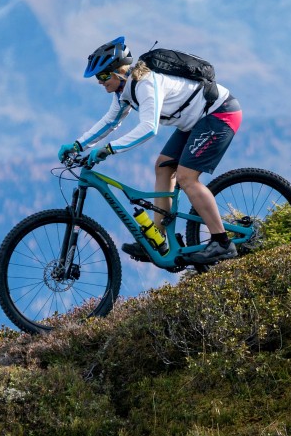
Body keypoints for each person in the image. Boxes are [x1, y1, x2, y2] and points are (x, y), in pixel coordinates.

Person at [58, 37, 244, 267]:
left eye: (103, 76)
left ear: (119, 72)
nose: (99, 82)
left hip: (219, 114)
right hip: (194, 122)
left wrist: (108, 149)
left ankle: (222, 241)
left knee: (187, 178)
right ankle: (159, 238)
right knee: (163, 167)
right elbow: (110, 122)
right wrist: (78, 145)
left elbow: (149, 128)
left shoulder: (144, 82)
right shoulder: (124, 92)